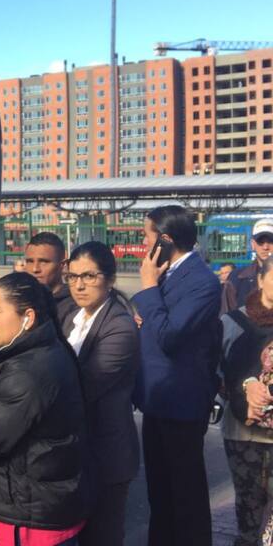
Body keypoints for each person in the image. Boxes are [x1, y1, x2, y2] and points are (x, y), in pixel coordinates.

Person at [0, 272, 91, 546]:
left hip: (30, 519)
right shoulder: (38, 350)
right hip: (43, 506)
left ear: (28, 317)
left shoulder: (28, 371)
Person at [133, 205, 221, 546]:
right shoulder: (167, 273)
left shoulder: (202, 282)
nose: (144, 243)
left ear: (165, 240)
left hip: (182, 403)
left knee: (186, 498)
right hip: (156, 399)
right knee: (160, 493)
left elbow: (170, 336)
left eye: (146, 236)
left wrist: (148, 289)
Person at [63, 241, 140, 546]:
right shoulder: (72, 318)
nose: (79, 285)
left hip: (105, 455)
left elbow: (85, 385)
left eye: (89, 276)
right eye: (73, 276)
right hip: (75, 453)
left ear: (109, 278)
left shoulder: (119, 326)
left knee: (102, 537)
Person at [220, 256, 273, 546]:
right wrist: (244, 387)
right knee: (249, 503)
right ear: (261, 280)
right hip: (243, 432)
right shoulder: (233, 322)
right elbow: (216, 372)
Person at [22, 232, 76, 327]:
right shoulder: (18, 302)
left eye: (44, 262)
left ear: (63, 265)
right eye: (30, 261)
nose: (35, 269)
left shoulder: (74, 306)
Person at [222, 218, 273, 314]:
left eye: (270, 241)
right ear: (253, 244)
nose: (265, 247)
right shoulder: (237, 278)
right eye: (260, 242)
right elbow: (226, 316)